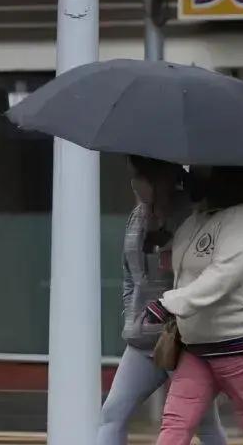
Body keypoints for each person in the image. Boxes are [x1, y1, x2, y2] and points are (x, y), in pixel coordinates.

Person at [145, 166, 243, 445]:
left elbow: (220, 278)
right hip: (198, 346)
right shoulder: (195, 221)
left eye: (199, 171)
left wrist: (170, 304)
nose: (189, 177)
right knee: (176, 421)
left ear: (221, 177)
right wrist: (157, 228)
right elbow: (185, 268)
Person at [96, 156, 227, 445]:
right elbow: (130, 275)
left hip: (182, 340)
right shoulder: (137, 217)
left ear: (157, 179)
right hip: (143, 339)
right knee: (113, 412)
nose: (134, 185)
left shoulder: (190, 217)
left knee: (203, 422)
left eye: (138, 177)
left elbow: (203, 277)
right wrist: (132, 316)